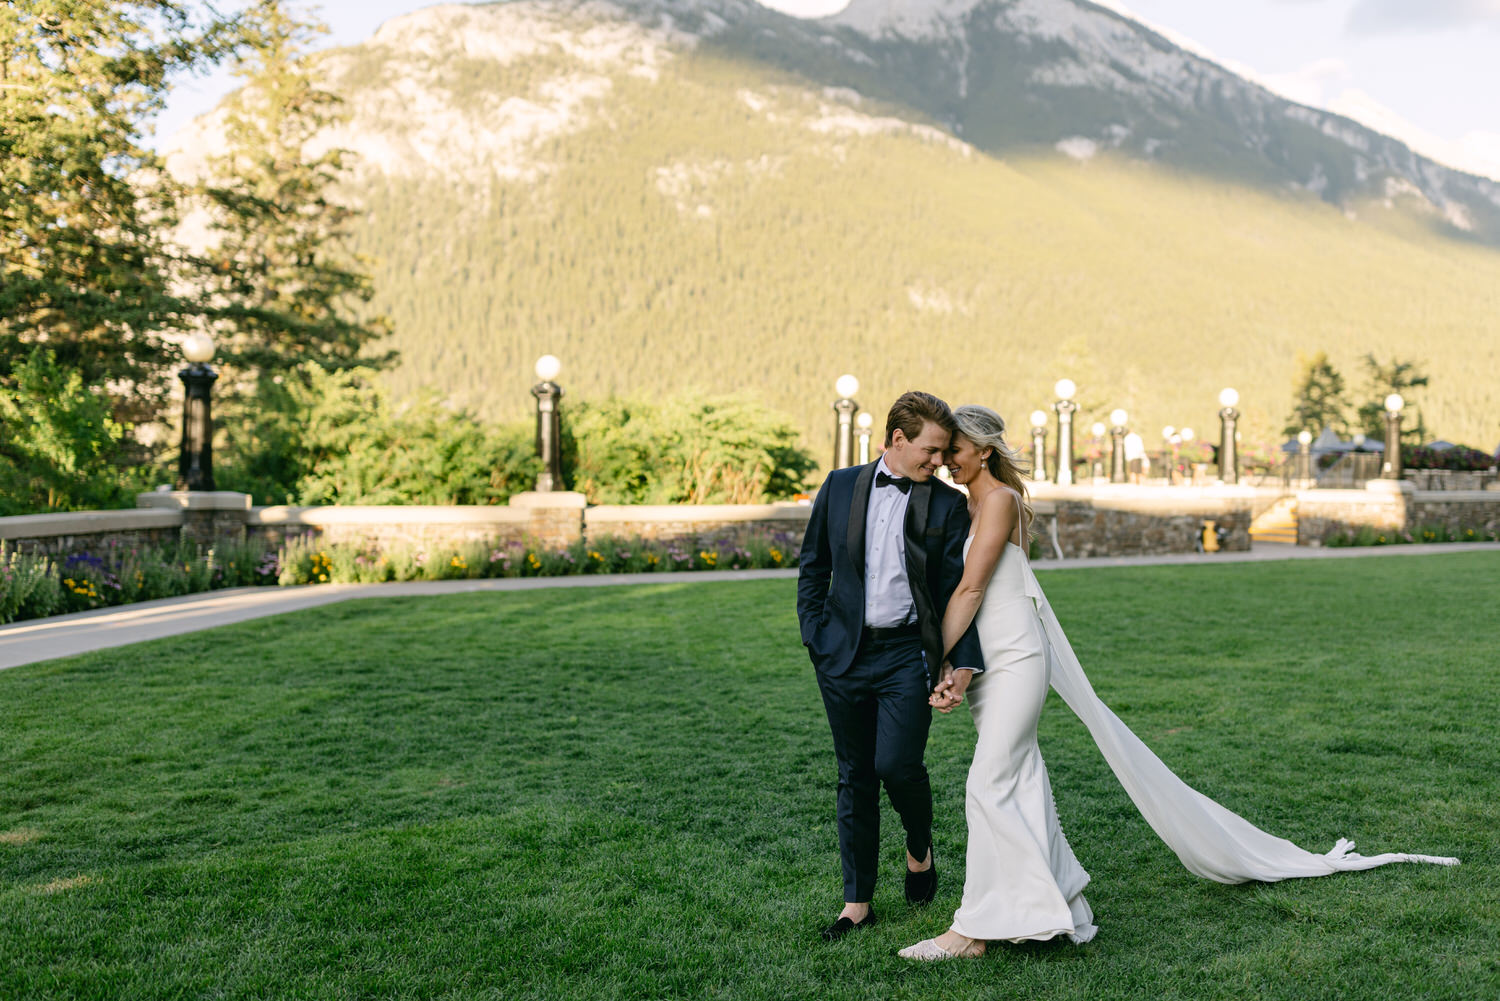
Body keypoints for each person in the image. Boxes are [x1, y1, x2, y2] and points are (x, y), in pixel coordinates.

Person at [898, 405, 1458, 961]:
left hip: (1018, 657)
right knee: (1018, 779)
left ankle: (973, 930)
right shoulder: (963, 503)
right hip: (986, 663)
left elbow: (972, 591)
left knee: (989, 782)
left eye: (955, 450)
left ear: (984, 449)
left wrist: (931, 660)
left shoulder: (999, 501)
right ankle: (1056, 906)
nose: (945, 459)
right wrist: (957, 665)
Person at [796, 391, 986, 942]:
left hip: (908, 654)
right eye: (930, 451)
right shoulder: (838, 486)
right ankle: (857, 902)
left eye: (945, 452)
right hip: (843, 655)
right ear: (897, 440)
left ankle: (919, 845)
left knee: (897, 765)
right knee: (854, 774)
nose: (938, 462)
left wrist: (961, 661)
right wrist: (816, 635)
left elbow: (959, 592)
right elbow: (814, 567)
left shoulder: (948, 506)